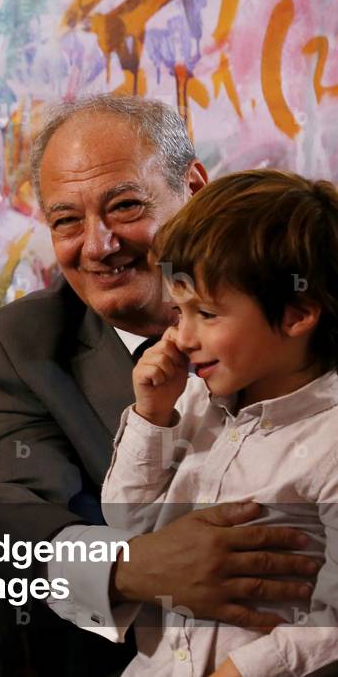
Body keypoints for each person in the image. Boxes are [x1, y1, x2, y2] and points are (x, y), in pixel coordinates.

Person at [0, 95, 320, 674]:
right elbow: (13, 510)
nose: (99, 244)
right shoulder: (26, 343)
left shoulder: (303, 288)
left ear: (195, 187)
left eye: (126, 206)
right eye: (66, 222)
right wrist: (133, 565)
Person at [103, 168, 338, 676]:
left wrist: (242, 669)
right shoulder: (191, 402)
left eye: (207, 314)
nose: (183, 337)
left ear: (297, 314)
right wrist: (152, 417)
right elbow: (125, 526)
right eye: (179, 310)